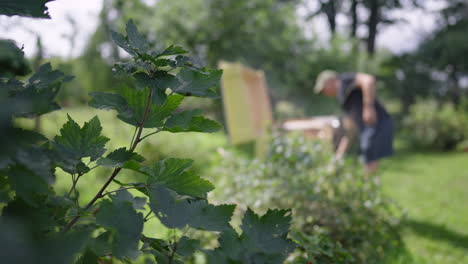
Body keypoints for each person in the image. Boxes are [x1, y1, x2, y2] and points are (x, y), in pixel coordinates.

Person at [314, 70, 393, 175]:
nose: (324, 93)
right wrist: (339, 154)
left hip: (376, 123)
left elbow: (368, 80)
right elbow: (350, 125)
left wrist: (368, 107)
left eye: (324, 89)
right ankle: (368, 185)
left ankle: (368, 186)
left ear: (330, 81)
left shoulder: (344, 80)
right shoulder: (342, 97)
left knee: (369, 154)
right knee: (367, 154)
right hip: (368, 127)